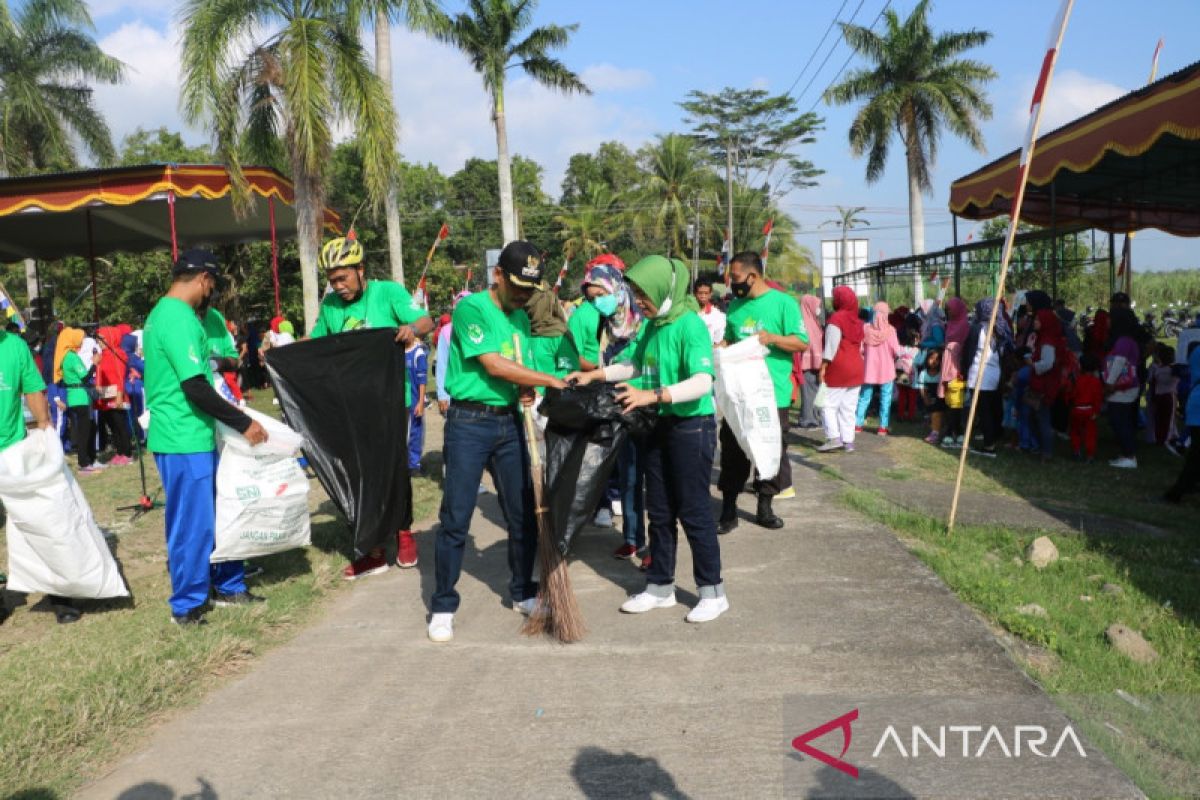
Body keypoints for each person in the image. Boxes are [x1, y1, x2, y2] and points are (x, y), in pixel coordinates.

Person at [567, 255, 728, 623]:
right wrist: (596, 376)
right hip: (658, 425)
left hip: (691, 427)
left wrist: (652, 396)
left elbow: (703, 382)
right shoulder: (654, 326)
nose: (639, 301)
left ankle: (712, 591)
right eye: (636, 294)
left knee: (694, 511)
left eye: (644, 294)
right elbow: (635, 365)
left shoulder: (690, 326)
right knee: (659, 511)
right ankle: (660, 587)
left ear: (665, 289)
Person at [429, 241, 567, 643]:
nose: (524, 295)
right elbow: (491, 363)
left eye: (531, 289)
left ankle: (522, 591)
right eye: (519, 286)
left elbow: (517, 366)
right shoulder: (471, 308)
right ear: (498, 276)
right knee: (456, 517)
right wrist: (546, 381)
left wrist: (525, 388)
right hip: (469, 422)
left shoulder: (521, 318)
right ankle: (442, 604)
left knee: (521, 513)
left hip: (509, 423)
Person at [144, 249, 268, 626]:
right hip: (183, 438)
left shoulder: (167, 315)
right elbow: (195, 387)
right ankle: (188, 604)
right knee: (192, 524)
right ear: (203, 279)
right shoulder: (177, 318)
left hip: (196, 433)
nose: (210, 294)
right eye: (212, 286)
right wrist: (242, 422)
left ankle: (228, 585)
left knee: (221, 513)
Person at [309, 234, 434, 576]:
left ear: (360, 269)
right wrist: (278, 354)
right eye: (332, 280)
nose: (337, 286)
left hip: (392, 402)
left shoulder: (388, 293)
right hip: (353, 407)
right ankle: (373, 547)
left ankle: (404, 533)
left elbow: (426, 321)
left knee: (394, 471)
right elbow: (315, 343)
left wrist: (409, 329)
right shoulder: (332, 307)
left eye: (342, 278)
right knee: (361, 477)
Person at [717, 252, 808, 532]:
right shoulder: (735, 307)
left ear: (752, 276)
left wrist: (773, 339)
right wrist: (720, 348)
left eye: (735, 278)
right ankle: (729, 509)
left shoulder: (784, 304)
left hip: (773, 394)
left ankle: (764, 506)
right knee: (733, 449)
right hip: (739, 395)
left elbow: (801, 342)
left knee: (770, 449)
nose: (732, 283)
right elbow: (729, 339)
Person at [0, 322, 74, 622]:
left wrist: (45, 428)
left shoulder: (14, 346)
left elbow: (33, 389)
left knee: (40, 520)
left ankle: (60, 594)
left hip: (14, 451)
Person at [578, 259, 649, 563]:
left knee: (654, 480)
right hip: (619, 407)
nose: (597, 302)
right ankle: (633, 538)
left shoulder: (645, 321)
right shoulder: (603, 324)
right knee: (628, 475)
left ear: (615, 288)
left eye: (600, 295)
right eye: (591, 298)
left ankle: (655, 546)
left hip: (649, 404)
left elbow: (644, 365)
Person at [961, 297, 1013, 457]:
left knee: (984, 411)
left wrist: (964, 370)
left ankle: (989, 446)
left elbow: (969, 353)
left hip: (980, 374)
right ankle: (994, 435)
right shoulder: (1001, 327)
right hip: (994, 373)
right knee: (993, 407)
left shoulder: (978, 329)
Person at [817, 286, 865, 453]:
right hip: (857, 367)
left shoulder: (836, 319)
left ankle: (833, 437)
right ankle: (848, 440)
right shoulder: (858, 321)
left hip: (839, 366)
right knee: (849, 406)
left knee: (826, 403)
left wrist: (823, 366)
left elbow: (831, 346)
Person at [1103, 308, 1143, 469]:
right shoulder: (1126, 340)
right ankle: (1127, 453)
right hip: (1123, 387)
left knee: (1119, 420)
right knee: (1120, 419)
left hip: (1122, 387)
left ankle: (1130, 455)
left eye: (1110, 318)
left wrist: (1110, 383)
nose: (1107, 322)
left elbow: (1119, 362)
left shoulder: (1123, 341)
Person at [55, 327, 99, 473]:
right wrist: (94, 363)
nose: (81, 342)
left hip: (73, 397)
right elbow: (85, 377)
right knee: (84, 432)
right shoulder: (72, 357)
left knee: (83, 429)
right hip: (80, 397)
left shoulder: (64, 356)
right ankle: (84, 463)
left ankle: (87, 460)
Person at [1027, 308, 1067, 462]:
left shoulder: (1048, 341)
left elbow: (1048, 363)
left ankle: (1047, 451)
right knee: (1037, 416)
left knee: (1043, 417)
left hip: (1045, 384)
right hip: (1043, 382)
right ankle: (1042, 448)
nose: (1035, 322)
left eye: (1038, 320)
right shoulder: (1044, 337)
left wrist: (1033, 364)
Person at [855, 301, 901, 436]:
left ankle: (858, 424)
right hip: (886, 369)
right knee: (885, 398)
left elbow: (860, 349)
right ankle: (882, 427)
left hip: (869, 369)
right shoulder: (891, 330)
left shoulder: (865, 329)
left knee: (864, 396)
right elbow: (896, 350)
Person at [1164, 342, 1200, 503]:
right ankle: (1178, 492)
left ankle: (1182, 489)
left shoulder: (1196, 351)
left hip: (1197, 405)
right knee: (1195, 455)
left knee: (1196, 454)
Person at [96, 325, 135, 465]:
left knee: (120, 425)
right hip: (106, 396)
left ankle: (127, 453)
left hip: (116, 395)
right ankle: (119, 452)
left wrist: (119, 396)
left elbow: (119, 377)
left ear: (110, 338)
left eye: (102, 338)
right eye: (98, 339)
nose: (99, 341)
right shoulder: (102, 355)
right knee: (112, 425)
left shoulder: (117, 354)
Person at [939, 297, 970, 448]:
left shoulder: (964, 325)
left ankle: (956, 432)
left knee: (956, 402)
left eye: (950, 309)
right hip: (947, 365)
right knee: (949, 401)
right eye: (947, 309)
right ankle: (951, 430)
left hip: (957, 368)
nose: (948, 312)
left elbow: (965, 348)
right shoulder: (950, 324)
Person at [795, 295, 825, 429]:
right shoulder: (803, 323)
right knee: (807, 393)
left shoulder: (813, 321)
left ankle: (813, 417)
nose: (818, 309)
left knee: (815, 391)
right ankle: (807, 419)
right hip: (807, 363)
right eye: (816, 306)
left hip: (816, 362)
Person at [1070, 353, 1104, 462]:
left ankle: (1076, 451)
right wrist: (1096, 411)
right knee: (1090, 433)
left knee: (1075, 431)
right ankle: (1090, 455)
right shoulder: (1096, 382)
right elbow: (1098, 398)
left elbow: (1073, 394)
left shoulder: (1078, 380)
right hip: (1090, 410)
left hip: (1077, 409)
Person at [406, 337, 429, 472]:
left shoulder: (418, 353)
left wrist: (421, 402)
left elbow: (422, 380)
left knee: (415, 431)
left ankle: (414, 464)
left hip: (414, 400)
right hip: (400, 400)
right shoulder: (397, 350)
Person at [1148, 344, 1178, 446]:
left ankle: (1159, 438)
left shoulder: (1157, 369)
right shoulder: (1173, 370)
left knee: (1159, 418)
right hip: (1169, 396)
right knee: (1169, 419)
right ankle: (1168, 438)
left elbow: (1151, 380)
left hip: (1158, 396)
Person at [694, 278, 726, 346]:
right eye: (700, 293)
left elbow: (718, 341)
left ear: (710, 294)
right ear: (694, 293)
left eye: (706, 293)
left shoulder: (718, 315)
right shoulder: (688, 313)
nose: (703, 296)